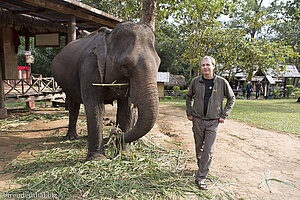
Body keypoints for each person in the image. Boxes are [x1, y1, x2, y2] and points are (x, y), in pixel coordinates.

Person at [186, 56, 235, 190]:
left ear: (213, 66)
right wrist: (189, 112)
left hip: (213, 122)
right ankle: (202, 167)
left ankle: (201, 177)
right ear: (201, 67)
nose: (205, 67)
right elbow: (188, 96)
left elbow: (231, 98)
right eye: (203, 65)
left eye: (208, 65)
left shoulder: (222, 82)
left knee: (208, 150)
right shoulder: (196, 81)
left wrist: (224, 115)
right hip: (197, 120)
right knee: (199, 148)